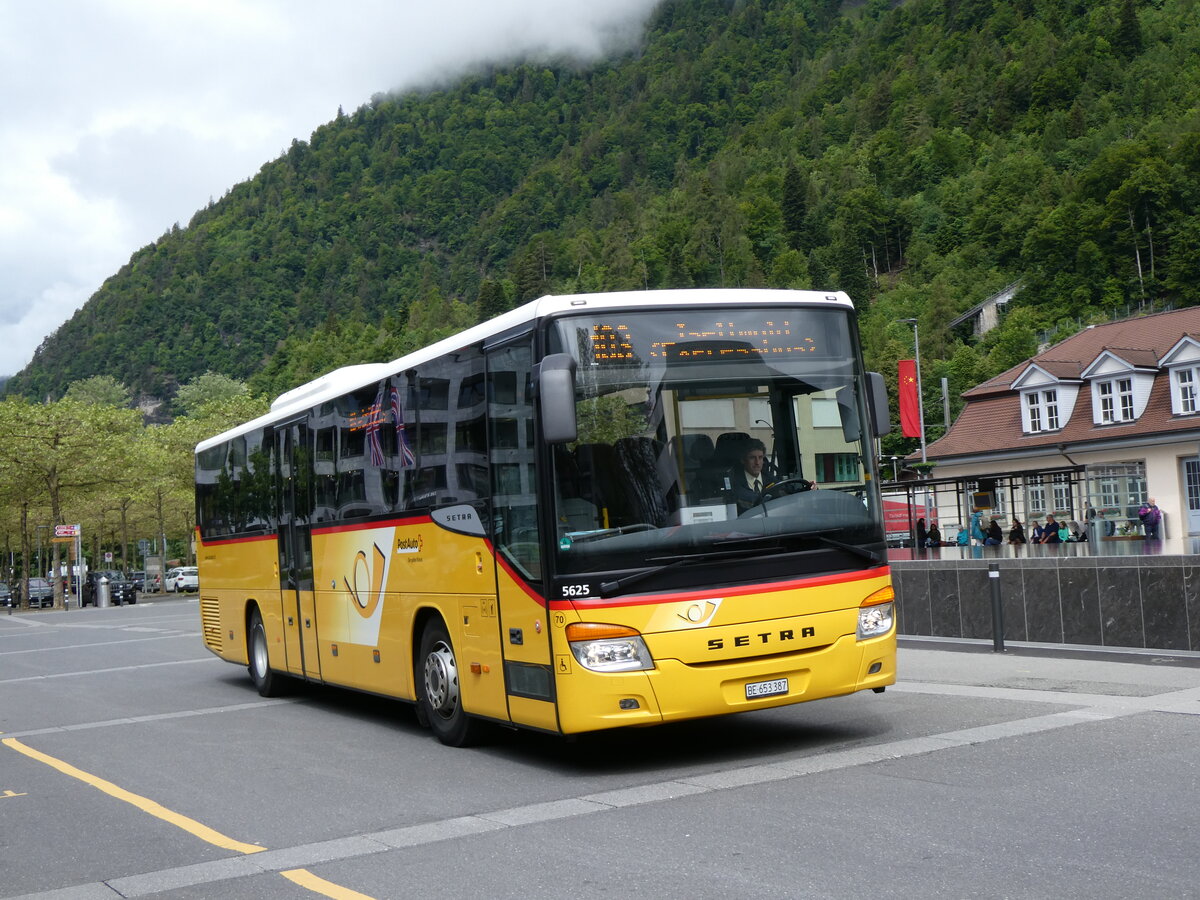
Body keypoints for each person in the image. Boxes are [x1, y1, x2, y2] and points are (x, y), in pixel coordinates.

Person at [726, 439, 813, 513]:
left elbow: (789, 493)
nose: (757, 462)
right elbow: (747, 500)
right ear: (743, 460)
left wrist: (808, 489)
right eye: (752, 458)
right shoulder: (733, 484)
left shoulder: (771, 478)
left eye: (760, 457)